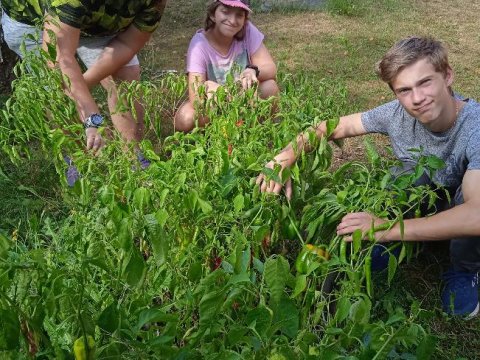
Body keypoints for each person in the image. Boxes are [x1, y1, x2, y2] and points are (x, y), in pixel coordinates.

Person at [256, 36, 480, 318]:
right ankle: (415, 239)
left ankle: (464, 270)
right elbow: (333, 127)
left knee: (466, 200)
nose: (417, 99)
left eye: (425, 82)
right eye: (404, 90)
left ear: (447, 75)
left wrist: (384, 228)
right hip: (427, 198)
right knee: (409, 174)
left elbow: (476, 216)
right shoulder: (397, 114)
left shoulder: (475, 126)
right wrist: (286, 156)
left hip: (463, 211)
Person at [1, 0, 166, 165]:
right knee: (54, 90)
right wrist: (91, 117)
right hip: (30, 18)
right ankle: (75, 162)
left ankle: (134, 156)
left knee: (126, 74)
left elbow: (128, 43)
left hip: (97, 21)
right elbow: (58, 58)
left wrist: (83, 85)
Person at [174, 0, 279, 132]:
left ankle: (260, 130)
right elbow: (196, 99)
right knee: (185, 117)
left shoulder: (248, 30)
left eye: (239, 15)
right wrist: (213, 89)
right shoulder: (199, 45)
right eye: (225, 12)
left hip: (243, 96)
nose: (232, 20)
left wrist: (253, 70)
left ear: (245, 19)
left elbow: (270, 67)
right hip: (215, 103)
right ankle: (217, 133)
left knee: (270, 87)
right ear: (213, 14)